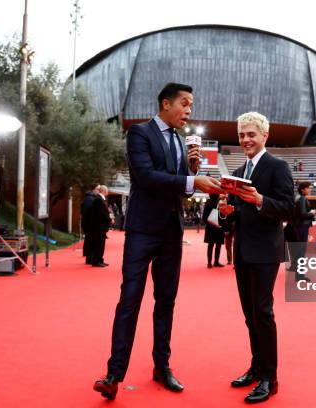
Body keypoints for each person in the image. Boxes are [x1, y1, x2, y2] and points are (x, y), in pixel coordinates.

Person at [93, 83, 222, 400]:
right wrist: (192, 179)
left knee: (166, 302)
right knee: (130, 299)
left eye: (192, 106)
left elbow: (182, 190)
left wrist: (192, 169)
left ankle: (161, 367)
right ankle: (114, 373)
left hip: (170, 232)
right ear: (166, 103)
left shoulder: (181, 142)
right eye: (185, 104)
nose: (189, 111)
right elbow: (147, 177)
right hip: (142, 230)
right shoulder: (139, 133)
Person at [219, 112, 294, 404]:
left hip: (265, 251)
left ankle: (269, 377)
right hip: (243, 250)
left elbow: (288, 208)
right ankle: (256, 366)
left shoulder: (278, 167)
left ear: (265, 136)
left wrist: (260, 199)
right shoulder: (239, 170)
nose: (245, 140)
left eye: (251, 134)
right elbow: (239, 214)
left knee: (263, 313)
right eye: (241, 135)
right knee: (250, 315)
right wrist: (228, 213)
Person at [292, 181, 316, 281]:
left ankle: (299, 275)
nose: (310, 189)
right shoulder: (301, 199)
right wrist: (312, 212)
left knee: (300, 252)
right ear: (303, 189)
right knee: (301, 252)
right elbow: (303, 214)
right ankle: (300, 276)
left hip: (299, 227)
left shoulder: (298, 198)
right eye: (308, 188)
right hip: (302, 228)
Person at [89, 185, 111, 267]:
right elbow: (102, 213)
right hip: (98, 227)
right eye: (107, 191)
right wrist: (109, 219)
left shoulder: (100, 199)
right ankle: (96, 261)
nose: (108, 192)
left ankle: (100, 259)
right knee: (98, 244)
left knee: (101, 244)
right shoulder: (99, 200)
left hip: (100, 226)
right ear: (104, 191)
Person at [202, 193, 225, 268]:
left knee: (210, 245)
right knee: (218, 245)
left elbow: (204, 218)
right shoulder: (221, 204)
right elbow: (224, 216)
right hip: (219, 227)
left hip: (210, 228)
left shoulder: (208, 204)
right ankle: (216, 261)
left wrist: (210, 222)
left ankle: (209, 262)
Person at [80, 185, 99, 264]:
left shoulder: (90, 198)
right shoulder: (90, 199)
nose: (98, 191)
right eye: (98, 189)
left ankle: (87, 254)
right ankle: (88, 257)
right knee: (89, 240)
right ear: (93, 189)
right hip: (89, 223)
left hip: (88, 222)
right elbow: (87, 212)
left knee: (88, 239)